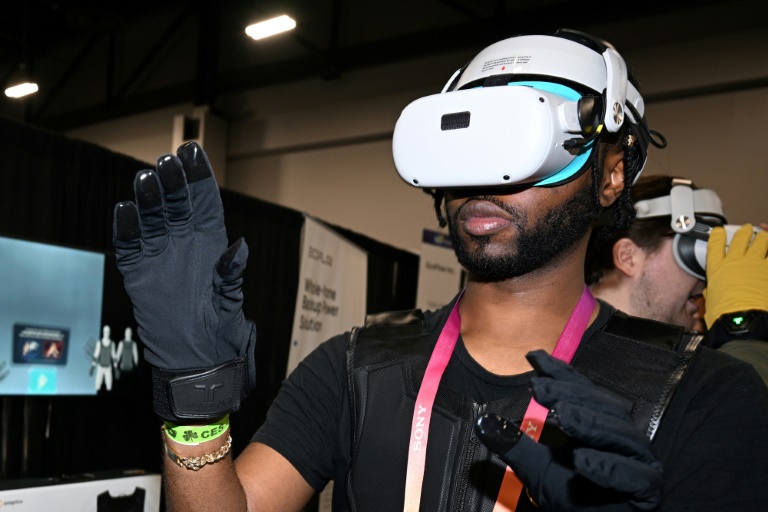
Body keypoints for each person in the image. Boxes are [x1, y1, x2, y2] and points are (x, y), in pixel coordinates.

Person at [112, 29, 768, 511]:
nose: (484, 180)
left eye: (518, 146)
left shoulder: (705, 395)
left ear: (612, 174)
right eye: (466, 147)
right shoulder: (355, 368)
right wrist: (193, 400)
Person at [585, 175, 768, 383]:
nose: (708, 279)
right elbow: (737, 401)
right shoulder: (579, 360)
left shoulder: (664, 365)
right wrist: (744, 327)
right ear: (628, 257)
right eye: (700, 253)